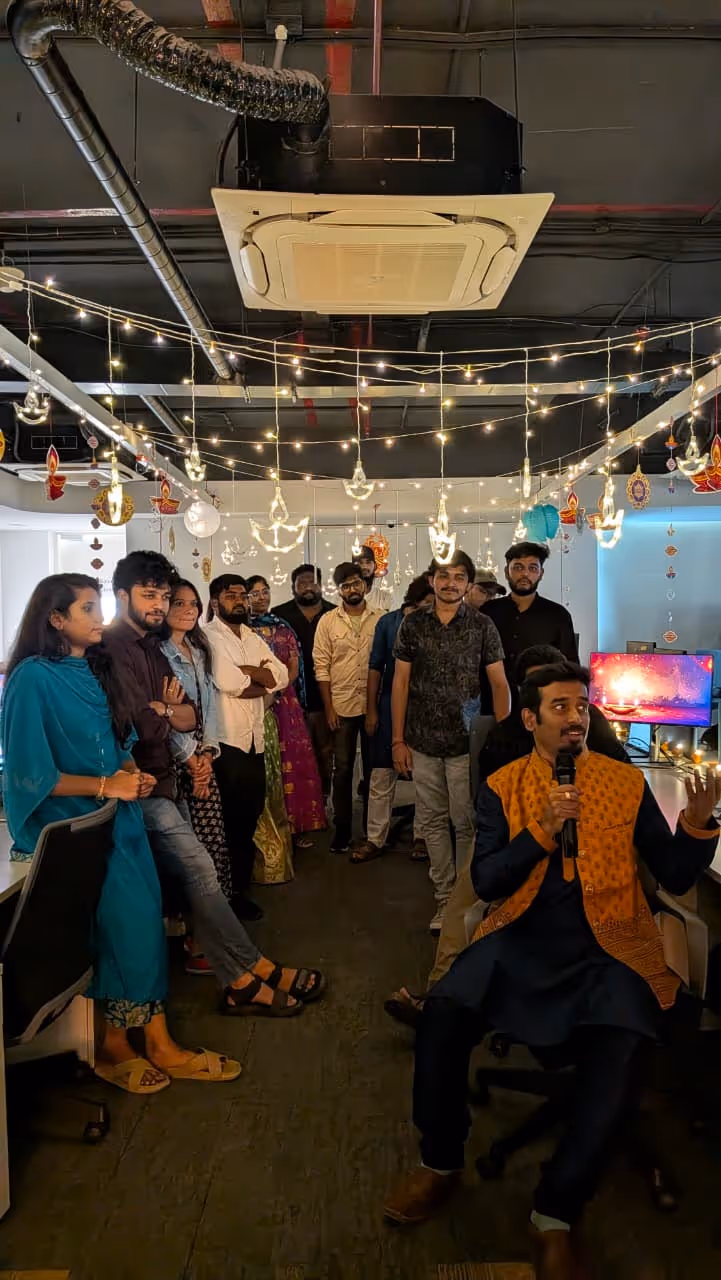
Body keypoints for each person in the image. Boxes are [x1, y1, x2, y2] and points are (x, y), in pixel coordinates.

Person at [383, 661, 721, 1279]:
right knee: (444, 1015)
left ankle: (555, 1213)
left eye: (581, 707)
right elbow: (486, 879)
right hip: (519, 935)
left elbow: (672, 875)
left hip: (612, 940)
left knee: (625, 1041)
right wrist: (541, 831)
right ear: (531, 719)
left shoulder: (623, 784)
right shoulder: (504, 785)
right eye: (560, 708)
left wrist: (697, 826)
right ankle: (439, 1162)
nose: (575, 718)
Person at [1, 573, 241, 1091]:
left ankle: (155, 1041)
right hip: (72, 828)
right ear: (56, 619)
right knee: (123, 925)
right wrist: (109, 783)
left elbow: (122, 739)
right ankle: (115, 1048)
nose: (100, 618)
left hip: (119, 815)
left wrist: (132, 772)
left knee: (141, 925)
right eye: (89, 609)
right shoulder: (32, 678)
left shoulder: (96, 668)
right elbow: (28, 775)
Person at [104, 552, 323, 1017]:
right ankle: (249, 970)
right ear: (121, 596)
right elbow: (139, 721)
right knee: (201, 872)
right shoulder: (116, 648)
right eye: (152, 595)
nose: (163, 605)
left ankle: (241, 975)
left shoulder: (153, 645)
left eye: (167, 596)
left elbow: (189, 711)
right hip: (142, 783)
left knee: (200, 872)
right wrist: (187, 745)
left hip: (174, 771)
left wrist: (184, 738)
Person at [385, 644, 630, 1027]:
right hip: (522, 840)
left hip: (592, 836)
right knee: (464, 899)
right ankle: (439, 997)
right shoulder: (503, 738)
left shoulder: (590, 722)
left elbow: (622, 768)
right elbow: (492, 809)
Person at [391, 550, 511, 933]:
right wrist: (397, 740)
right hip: (422, 740)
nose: (451, 583)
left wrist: (505, 738)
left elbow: (498, 683)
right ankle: (444, 898)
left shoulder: (482, 625)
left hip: (466, 742)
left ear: (468, 584)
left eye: (459, 576)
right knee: (431, 820)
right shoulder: (413, 626)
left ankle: (466, 898)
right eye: (444, 575)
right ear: (431, 581)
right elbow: (401, 683)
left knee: (466, 821)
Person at [205, 574, 289, 913]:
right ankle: (219, 895)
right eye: (231, 595)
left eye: (243, 595)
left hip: (254, 741)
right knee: (225, 823)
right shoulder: (209, 637)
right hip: (226, 743)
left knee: (248, 818)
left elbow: (280, 676)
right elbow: (229, 681)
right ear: (214, 602)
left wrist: (254, 676)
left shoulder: (252, 636)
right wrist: (259, 677)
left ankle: (238, 891)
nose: (240, 600)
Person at [161, 579, 232, 975]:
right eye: (178, 602)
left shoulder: (198, 649)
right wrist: (191, 760)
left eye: (193, 603)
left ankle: (205, 936)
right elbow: (165, 718)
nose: (188, 609)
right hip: (175, 767)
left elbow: (209, 708)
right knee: (188, 857)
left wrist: (206, 754)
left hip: (203, 762)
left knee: (212, 850)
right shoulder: (159, 653)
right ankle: (191, 938)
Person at [352, 575, 434, 864]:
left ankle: (422, 836)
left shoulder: (437, 624)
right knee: (380, 773)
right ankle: (375, 837)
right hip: (388, 706)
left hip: (425, 708)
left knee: (425, 775)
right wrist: (372, 710)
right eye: (428, 602)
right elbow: (375, 667)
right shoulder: (388, 623)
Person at [247, 575, 326, 852]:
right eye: (254, 593)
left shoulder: (282, 626)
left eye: (265, 591)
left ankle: (296, 828)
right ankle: (269, 832)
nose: (261, 597)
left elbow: (294, 663)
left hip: (286, 701)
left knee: (292, 764)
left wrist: (280, 689)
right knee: (268, 765)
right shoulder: (243, 630)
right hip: (255, 701)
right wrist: (267, 691)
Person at [313, 561, 381, 853]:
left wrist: (376, 709)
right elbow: (321, 666)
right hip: (340, 706)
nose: (351, 589)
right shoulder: (328, 621)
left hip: (373, 706)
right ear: (338, 590)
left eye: (356, 583)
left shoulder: (381, 619)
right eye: (345, 585)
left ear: (365, 585)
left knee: (374, 771)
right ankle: (342, 831)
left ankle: (371, 832)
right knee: (341, 771)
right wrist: (329, 708)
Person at [274, 564, 336, 800]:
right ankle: (297, 804)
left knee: (325, 752)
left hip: (325, 698)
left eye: (313, 581)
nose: (308, 587)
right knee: (293, 754)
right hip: (290, 698)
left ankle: (323, 800)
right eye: (302, 582)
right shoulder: (279, 615)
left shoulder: (333, 614)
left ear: (321, 585)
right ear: (293, 587)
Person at [482, 542, 579, 684]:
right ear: (506, 572)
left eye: (532, 568)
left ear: (541, 573)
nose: (525, 574)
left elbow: (570, 665)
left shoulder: (558, 615)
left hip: (539, 699)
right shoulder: (488, 611)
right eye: (518, 567)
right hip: (490, 699)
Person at [353, 544, 388, 612]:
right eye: (360, 563)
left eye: (368, 562)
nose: (364, 567)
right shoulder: (341, 598)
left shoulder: (384, 597)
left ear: (375, 566)